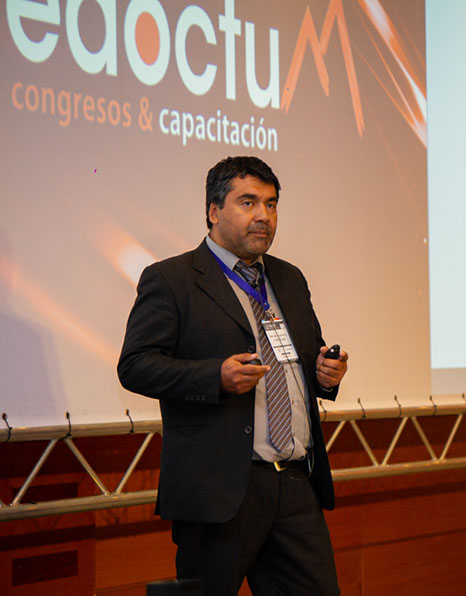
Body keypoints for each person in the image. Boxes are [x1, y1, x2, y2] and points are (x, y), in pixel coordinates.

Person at [117, 156, 348, 595]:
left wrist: (325, 375)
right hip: (219, 490)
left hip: (295, 483)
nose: (264, 215)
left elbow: (303, 360)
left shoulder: (289, 279)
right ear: (213, 210)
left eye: (271, 204)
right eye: (248, 202)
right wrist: (214, 378)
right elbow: (135, 365)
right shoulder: (172, 279)